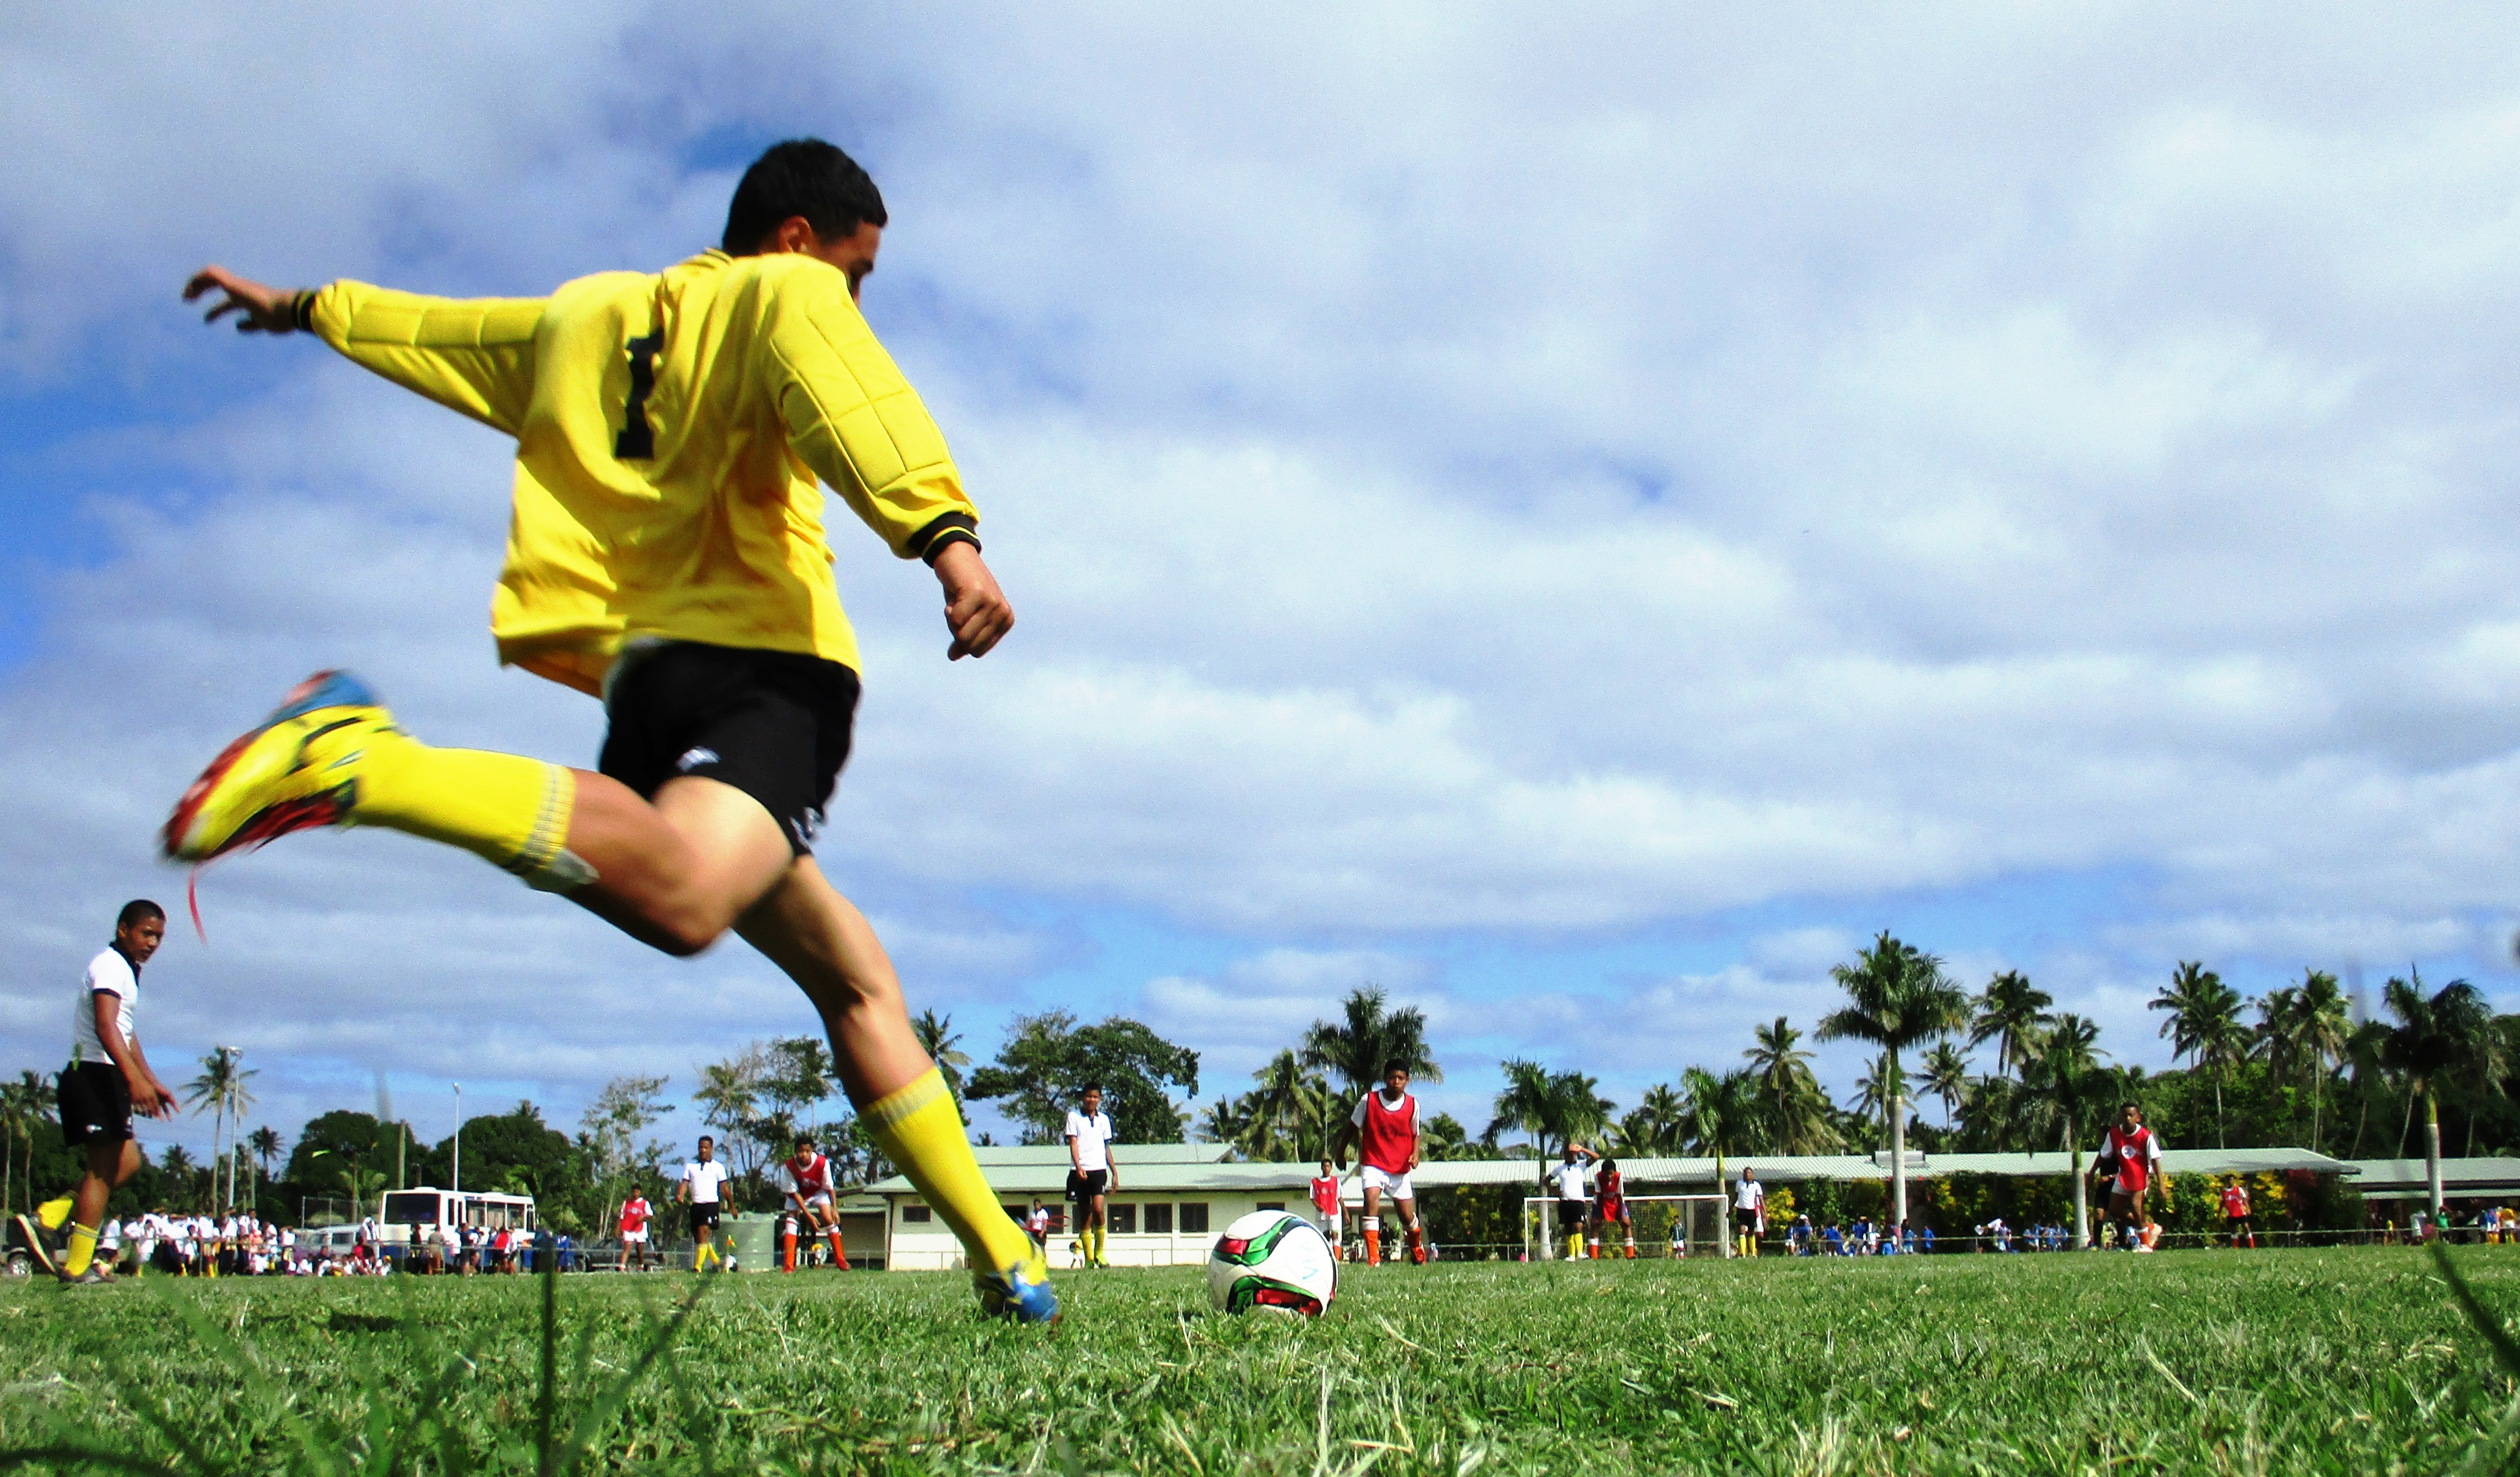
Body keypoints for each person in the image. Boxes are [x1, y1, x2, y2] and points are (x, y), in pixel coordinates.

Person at [169, 138, 1051, 1324]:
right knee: (687, 893)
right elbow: (856, 397)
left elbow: (435, 333)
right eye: (859, 272)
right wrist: (949, 537)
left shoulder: (582, 319)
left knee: (854, 980)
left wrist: (305, 309)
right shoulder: (784, 289)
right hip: (768, 668)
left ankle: (1008, 1262)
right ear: (798, 238)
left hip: (646, 682)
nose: (854, 300)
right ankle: (361, 761)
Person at [19, 901, 181, 1283]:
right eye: (146, 933)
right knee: (102, 1171)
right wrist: (133, 1080)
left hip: (106, 1072)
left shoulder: (127, 970)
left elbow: (125, 1028)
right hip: (93, 1072)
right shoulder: (109, 965)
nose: (153, 942)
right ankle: (77, 1266)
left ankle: (50, 1214)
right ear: (123, 928)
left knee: (127, 1164)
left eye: (159, 936)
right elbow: (106, 1027)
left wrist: (149, 1077)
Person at [1333, 1062, 1431, 1266]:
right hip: (1373, 1162)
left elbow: (1415, 1134)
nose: (1396, 1082)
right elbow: (1351, 1127)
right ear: (1385, 1078)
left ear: (1407, 1081)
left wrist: (1415, 1154)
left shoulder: (1413, 1105)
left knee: (1407, 1216)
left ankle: (1417, 1249)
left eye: (1401, 1079)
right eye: (1392, 1078)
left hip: (1399, 1167)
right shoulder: (1369, 1101)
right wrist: (1340, 1153)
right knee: (1371, 1202)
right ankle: (1373, 1258)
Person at [2092, 1102, 2170, 1254]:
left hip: (2140, 1174)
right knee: (2114, 1209)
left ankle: (2146, 1245)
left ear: (2138, 1118)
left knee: (2136, 1206)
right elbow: (2103, 1155)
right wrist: (2092, 1172)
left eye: (2131, 1115)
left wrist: (2162, 1184)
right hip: (2124, 1175)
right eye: (2124, 1115)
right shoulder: (2114, 1134)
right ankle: (2151, 1228)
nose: (2127, 1118)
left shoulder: (2145, 1136)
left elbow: (2155, 1160)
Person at [777, 1134, 850, 1271]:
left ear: (812, 1151)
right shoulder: (789, 1166)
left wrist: (835, 1209)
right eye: (800, 1151)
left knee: (829, 1219)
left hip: (818, 1192)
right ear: (795, 1152)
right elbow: (794, 1193)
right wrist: (809, 1216)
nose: (803, 1154)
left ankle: (840, 1260)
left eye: (807, 1151)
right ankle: (789, 1265)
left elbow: (830, 1188)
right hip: (797, 1195)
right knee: (791, 1220)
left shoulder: (823, 1163)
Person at [1064, 1087, 1118, 1268]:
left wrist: (1115, 1172)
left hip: (1099, 1170)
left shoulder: (1104, 1119)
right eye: (1088, 1096)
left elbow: (1106, 1147)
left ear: (1100, 1099)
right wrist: (1078, 1166)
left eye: (1095, 1097)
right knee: (1085, 1215)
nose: (1091, 1100)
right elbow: (1073, 1143)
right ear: (1083, 1097)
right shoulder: (1074, 1117)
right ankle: (1088, 1258)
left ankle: (1100, 1253)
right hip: (1080, 1171)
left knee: (1098, 1209)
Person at [679, 1136, 731, 1272]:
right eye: (701, 1147)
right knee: (699, 1238)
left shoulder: (718, 1167)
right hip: (696, 1205)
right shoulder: (691, 1167)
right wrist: (680, 1195)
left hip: (710, 1204)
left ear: (711, 1149)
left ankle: (698, 1267)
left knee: (704, 1232)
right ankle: (718, 1263)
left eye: (706, 1148)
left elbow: (724, 1188)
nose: (703, 1150)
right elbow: (685, 1183)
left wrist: (732, 1206)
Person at [1545, 1143, 1596, 1262]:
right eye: (1569, 1153)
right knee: (1568, 1228)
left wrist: (1582, 1149)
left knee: (1578, 1226)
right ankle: (1571, 1255)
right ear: (1565, 1155)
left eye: (1574, 1153)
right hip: (1565, 1202)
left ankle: (1580, 1253)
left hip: (1578, 1201)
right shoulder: (1559, 1169)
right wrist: (1555, 1192)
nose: (1572, 1155)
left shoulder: (1581, 1165)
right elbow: (1546, 1181)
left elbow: (1596, 1157)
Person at [1594, 1156, 1635, 1259]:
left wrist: (1622, 1214)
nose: (1609, 1176)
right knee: (1595, 1225)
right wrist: (1598, 1215)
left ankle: (1630, 1254)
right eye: (1606, 1174)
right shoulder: (1598, 1177)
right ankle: (1594, 1255)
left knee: (1626, 1224)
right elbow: (1599, 1196)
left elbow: (1619, 1196)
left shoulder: (1619, 1177)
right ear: (1602, 1173)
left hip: (1616, 1202)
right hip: (1601, 1202)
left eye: (1611, 1174)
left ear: (1615, 1172)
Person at [1309, 1160, 1344, 1257]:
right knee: (1325, 1235)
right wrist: (1317, 1206)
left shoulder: (1336, 1181)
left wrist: (1346, 1213)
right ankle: (1327, 1256)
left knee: (1335, 1235)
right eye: (1324, 1166)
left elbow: (1340, 1197)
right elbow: (1312, 1197)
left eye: (1328, 1166)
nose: (1326, 1168)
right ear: (1321, 1168)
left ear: (1331, 1168)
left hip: (1334, 1212)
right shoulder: (1315, 1182)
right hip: (1322, 1213)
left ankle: (1336, 1258)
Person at [1732, 1167, 1765, 1258]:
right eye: (1745, 1173)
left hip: (1751, 1210)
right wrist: (1731, 1208)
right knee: (1742, 1230)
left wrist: (1765, 1213)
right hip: (1742, 1210)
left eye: (1749, 1173)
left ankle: (1753, 1253)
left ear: (1752, 1175)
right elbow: (1736, 1196)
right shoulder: (1739, 1184)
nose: (1747, 1175)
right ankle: (1742, 1253)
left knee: (1751, 1231)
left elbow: (1761, 1199)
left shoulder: (1756, 1185)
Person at [618, 1190, 653, 1272]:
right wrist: (618, 1228)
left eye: (637, 1192)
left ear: (640, 1193)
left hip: (640, 1228)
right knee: (627, 1246)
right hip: (628, 1228)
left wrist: (643, 1217)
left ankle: (641, 1265)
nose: (635, 1194)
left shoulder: (645, 1203)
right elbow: (621, 1216)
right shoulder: (627, 1203)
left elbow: (650, 1214)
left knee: (640, 1249)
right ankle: (622, 1266)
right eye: (634, 1192)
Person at [2221, 1176, 2255, 1250]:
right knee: (2233, 1230)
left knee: (2245, 1227)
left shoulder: (2239, 1189)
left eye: (2232, 1180)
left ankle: (2252, 1246)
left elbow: (2244, 1199)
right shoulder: (2224, 1192)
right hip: (2231, 1213)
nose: (2230, 1182)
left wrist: (2248, 1208)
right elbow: (2223, 1202)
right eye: (2228, 1181)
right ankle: (2236, 1247)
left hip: (2241, 1212)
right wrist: (2220, 1213)